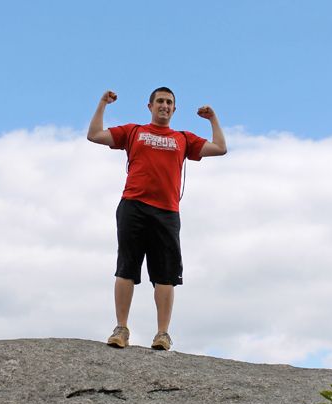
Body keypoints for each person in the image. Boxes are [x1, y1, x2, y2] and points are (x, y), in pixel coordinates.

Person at [87, 87, 227, 350]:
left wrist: (212, 119)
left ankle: (162, 334)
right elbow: (94, 134)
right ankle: (121, 329)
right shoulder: (133, 132)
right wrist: (102, 103)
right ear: (150, 106)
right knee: (126, 268)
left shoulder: (183, 138)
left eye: (169, 102)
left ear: (174, 110)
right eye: (160, 101)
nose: (164, 105)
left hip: (167, 211)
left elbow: (220, 148)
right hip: (133, 205)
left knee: (165, 275)